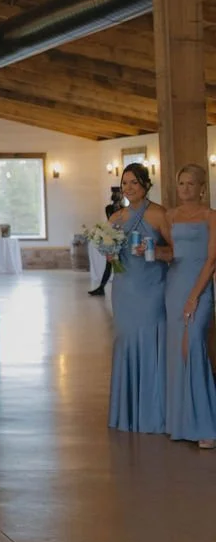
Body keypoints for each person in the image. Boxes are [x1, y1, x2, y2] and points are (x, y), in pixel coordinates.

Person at [108, 164, 170, 434]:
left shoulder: (159, 214)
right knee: (127, 341)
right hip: (124, 288)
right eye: (125, 183)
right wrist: (109, 253)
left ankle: (155, 413)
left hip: (152, 287)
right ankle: (128, 412)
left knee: (151, 341)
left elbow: (175, 251)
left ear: (145, 184)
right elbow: (112, 253)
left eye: (134, 182)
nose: (129, 188)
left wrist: (154, 249)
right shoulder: (115, 218)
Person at [163, 164, 216, 449]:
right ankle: (180, 422)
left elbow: (212, 260)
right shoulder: (170, 216)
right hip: (173, 286)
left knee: (193, 346)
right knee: (177, 352)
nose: (185, 188)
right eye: (181, 183)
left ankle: (206, 424)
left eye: (190, 184)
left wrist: (195, 296)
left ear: (201, 187)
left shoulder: (211, 216)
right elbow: (169, 252)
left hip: (200, 288)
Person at [88, 201, 122, 296]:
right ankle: (101, 287)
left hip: (117, 247)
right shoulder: (112, 222)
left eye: (109, 213)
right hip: (112, 247)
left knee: (117, 268)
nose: (108, 215)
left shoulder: (117, 221)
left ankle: (104, 288)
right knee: (110, 267)